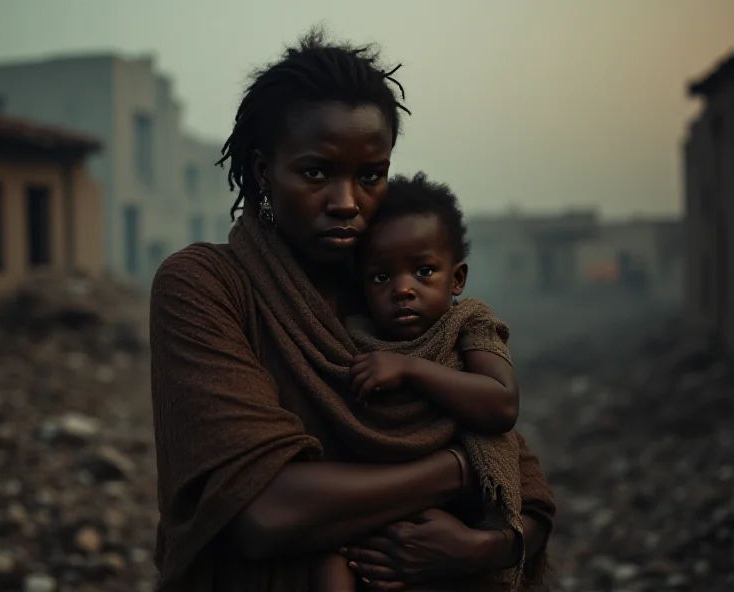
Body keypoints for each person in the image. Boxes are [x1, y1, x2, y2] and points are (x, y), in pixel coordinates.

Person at [149, 29, 555, 592]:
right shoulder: (205, 286)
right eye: (316, 173)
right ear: (265, 172)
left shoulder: (394, 293)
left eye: (370, 176)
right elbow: (264, 512)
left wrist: (481, 547)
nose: (347, 203)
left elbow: (526, 486)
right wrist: (463, 467)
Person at [312, 172, 525, 591]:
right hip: (370, 512)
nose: (403, 289)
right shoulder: (351, 337)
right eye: (381, 277)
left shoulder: (469, 324)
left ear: (457, 278)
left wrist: (411, 369)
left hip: (453, 516)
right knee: (328, 561)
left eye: (424, 271)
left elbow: (502, 404)